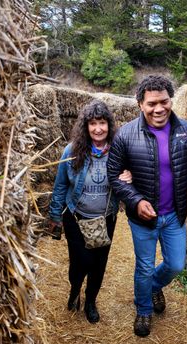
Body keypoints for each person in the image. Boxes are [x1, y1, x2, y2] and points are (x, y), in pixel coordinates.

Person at [107, 75, 187, 337]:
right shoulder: (126, 135)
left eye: (164, 102)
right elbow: (114, 175)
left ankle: (152, 286)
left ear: (171, 100)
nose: (159, 109)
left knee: (176, 265)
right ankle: (143, 309)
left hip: (174, 215)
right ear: (140, 105)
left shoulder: (186, 131)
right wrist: (136, 200)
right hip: (142, 219)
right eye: (152, 103)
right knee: (144, 265)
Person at [48, 100, 131, 323]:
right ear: (85, 127)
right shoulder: (72, 151)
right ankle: (75, 289)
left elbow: (131, 179)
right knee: (80, 262)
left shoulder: (118, 151)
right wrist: (55, 216)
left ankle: (91, 301)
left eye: (102, 123)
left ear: (109, 125)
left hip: (105, 218)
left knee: (98, 263)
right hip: (75, 217)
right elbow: (60, 186)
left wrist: (129, 177)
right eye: (92, 123)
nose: (97, 129)